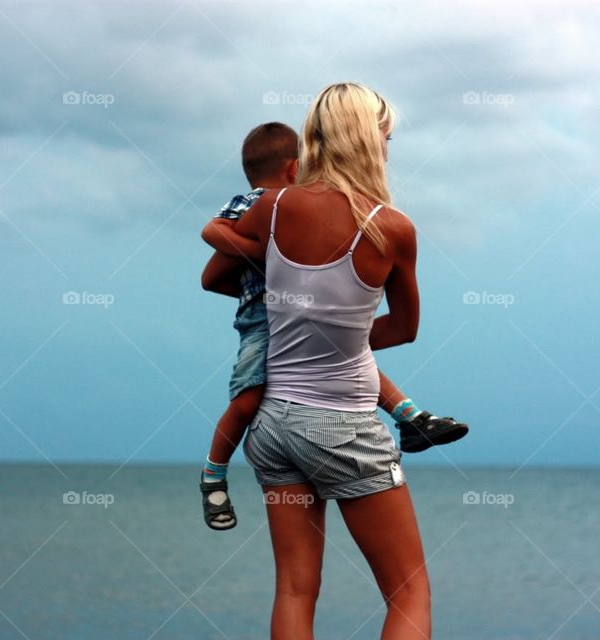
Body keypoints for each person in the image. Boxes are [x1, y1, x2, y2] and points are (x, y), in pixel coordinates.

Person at [202, 82, 440, 638]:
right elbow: (404, 329)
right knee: (409, 591)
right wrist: (341, 334)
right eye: (385, 136)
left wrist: (292, 321)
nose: (387, 148)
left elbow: (216, 276)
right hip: (345, 428)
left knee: (294, 587)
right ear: (366, 138)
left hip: (272, 427)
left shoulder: (272, 206)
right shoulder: (394, 229)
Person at [198, 122, 468, 533]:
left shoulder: (281, 208)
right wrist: (269, 266)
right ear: (294, 168)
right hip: (277, 338)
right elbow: (212, 245)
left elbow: (212, 279)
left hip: (282, 392)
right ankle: (213, 474)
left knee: (294, 587)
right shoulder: (269, 206)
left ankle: (412, 417)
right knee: (252, 394)